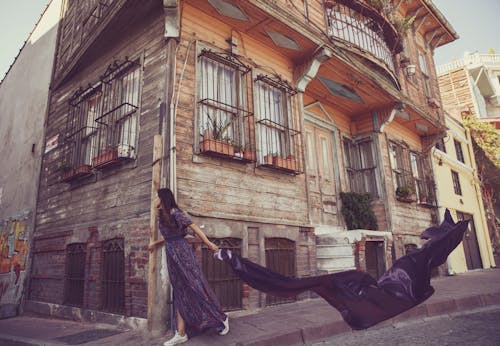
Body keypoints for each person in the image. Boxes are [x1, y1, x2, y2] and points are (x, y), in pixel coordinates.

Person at [149, 188, 229, 346]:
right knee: (180, 291)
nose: (154, 199)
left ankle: (222, 318)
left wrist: (209, 244)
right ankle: (181, 333)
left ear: (163, 198)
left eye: (156, 197)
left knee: (195, 287)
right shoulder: (163, 216)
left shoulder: (175, 213)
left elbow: (194, 228)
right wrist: (155, 243)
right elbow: (171, 236)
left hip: (184, 254)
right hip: (172, 255)